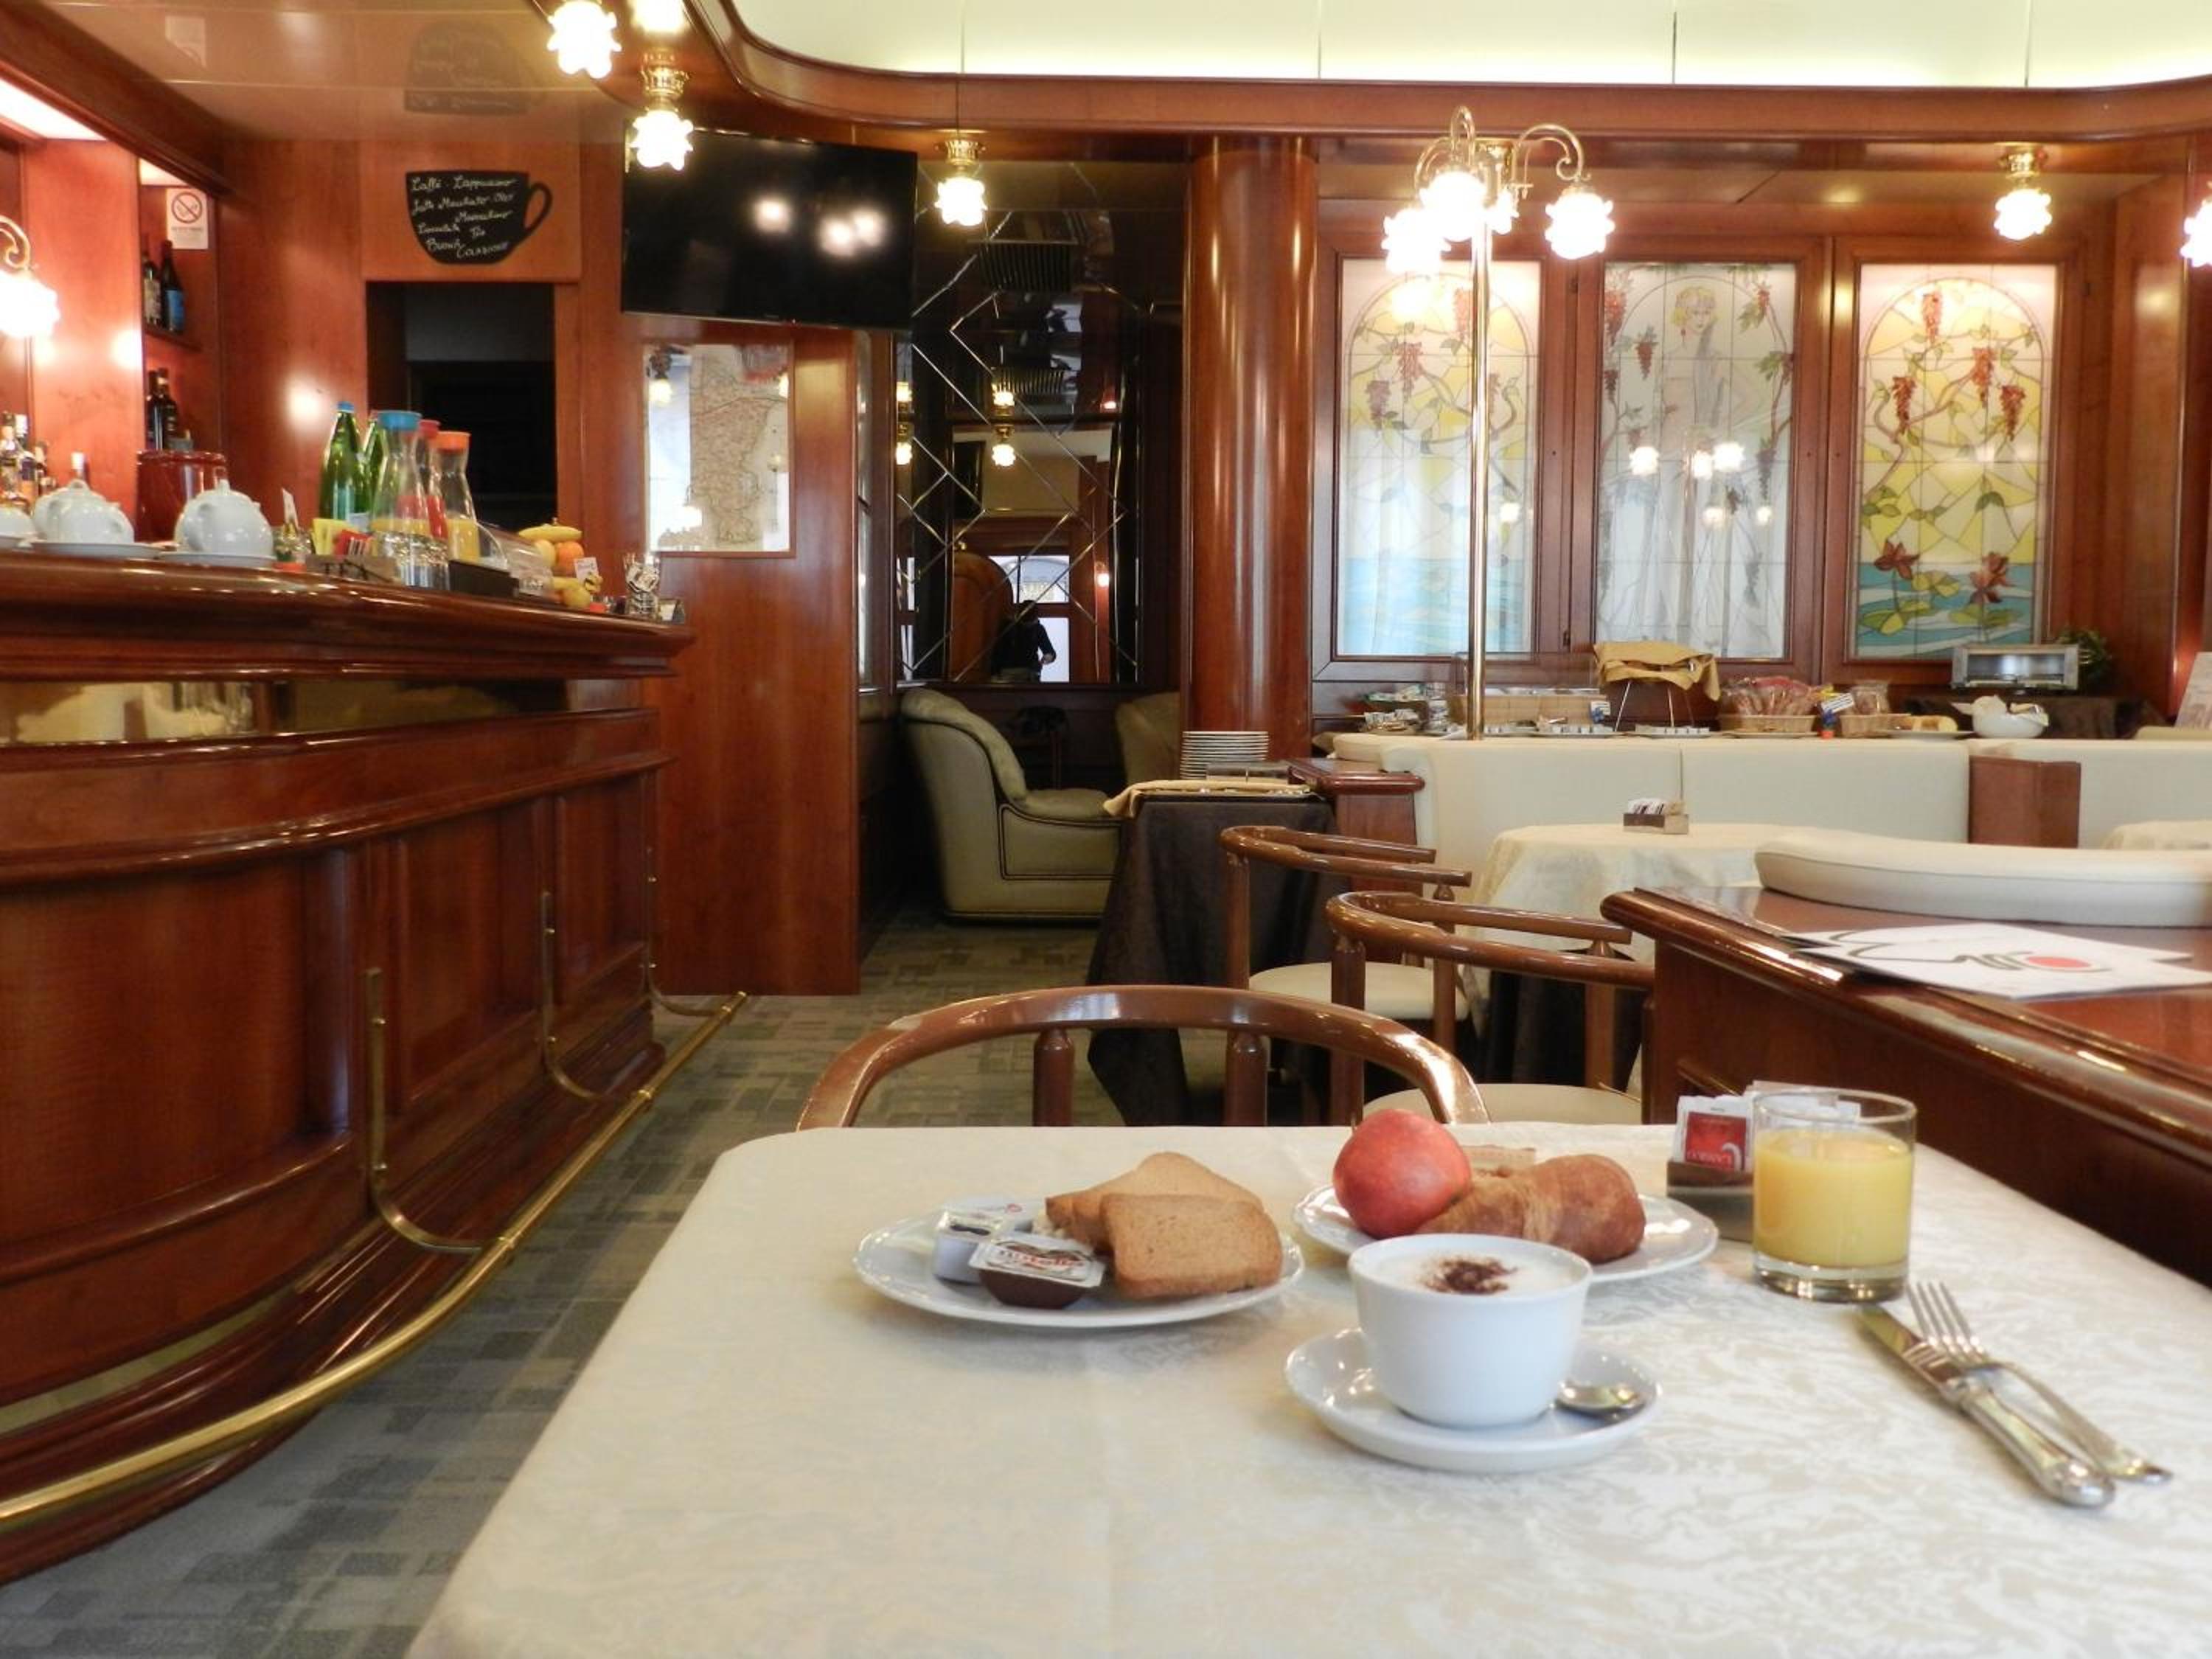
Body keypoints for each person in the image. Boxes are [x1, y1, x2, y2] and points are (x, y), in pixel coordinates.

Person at [990, 601, 1057, 682]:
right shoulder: (1008, 626)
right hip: (1008, 671)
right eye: (1027, 623)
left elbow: (1049, 650)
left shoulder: (1038, 628)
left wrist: (1049, 656)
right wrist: (994, 674)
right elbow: (997, 652)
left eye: (1032, 622)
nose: (1029, 625)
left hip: (1030, 672)